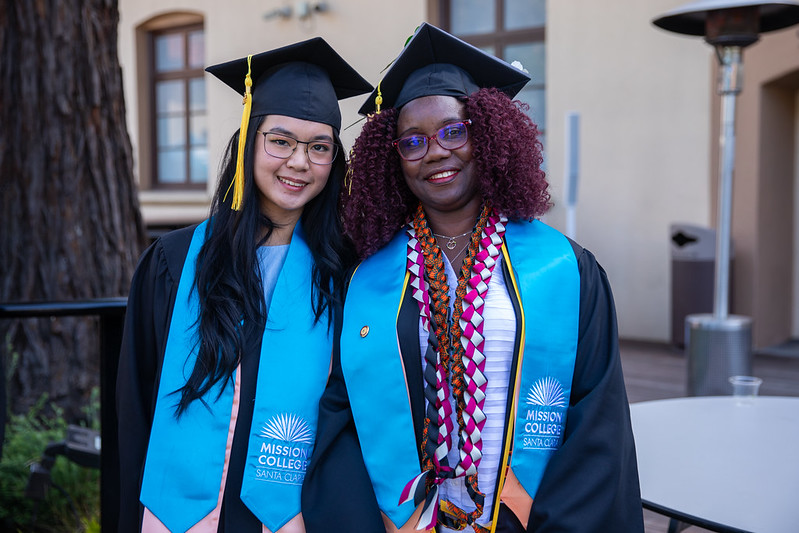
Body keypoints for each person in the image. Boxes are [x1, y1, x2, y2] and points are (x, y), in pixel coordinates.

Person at [302, 23, 644, 532]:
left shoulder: (564, 269)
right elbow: (343, 422)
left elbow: (597, 423)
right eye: (412, 142)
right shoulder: (368, 283)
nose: (435, 152)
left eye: (453, 131)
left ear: (486, 134)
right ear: (392, 159)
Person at [116, 38, 371, 533]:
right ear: (250, 140)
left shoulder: (346, 274)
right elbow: (136, 402)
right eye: (281, 141)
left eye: (319, 147)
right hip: (175, 517)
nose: (299, 162)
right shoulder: (174, 261)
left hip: (288, 517)